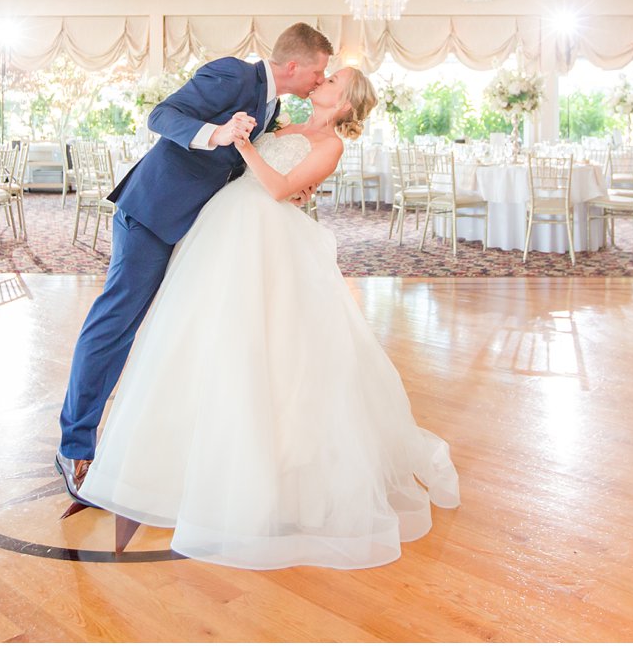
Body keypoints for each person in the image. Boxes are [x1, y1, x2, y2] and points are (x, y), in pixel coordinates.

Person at [76, 68, 460, 570]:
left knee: (271, 342)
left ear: (344, 103)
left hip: (265, 236)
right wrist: (245, 143)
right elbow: (252, 177)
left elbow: (278, 189)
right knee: (201, 338)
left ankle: (269, 472)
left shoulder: (329, 144)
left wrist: (243, 146)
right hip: (223, 227)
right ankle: (160, 471)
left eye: (332, 81)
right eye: (322, 75)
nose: (321, 81)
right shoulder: (280, 124)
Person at [55, 22, 334, 498]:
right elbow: (162, 115)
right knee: (117, 323)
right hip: (152, 215)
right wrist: (218, 131)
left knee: (178, 332)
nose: (319, 81)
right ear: (294, 65)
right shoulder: (233, 75)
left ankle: (158, 444)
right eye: (319, 71)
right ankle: (74, 445)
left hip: (198, 226)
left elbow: (240, 168)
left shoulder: (275, 106)